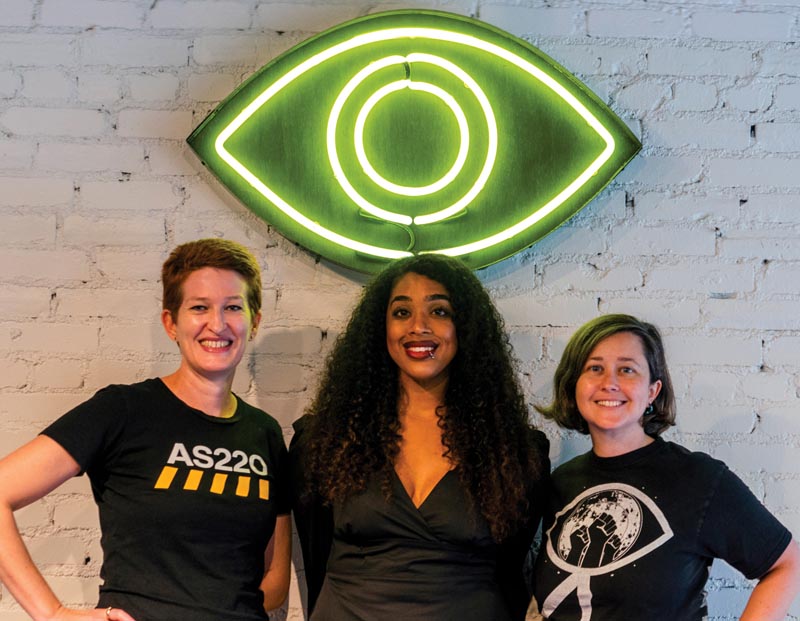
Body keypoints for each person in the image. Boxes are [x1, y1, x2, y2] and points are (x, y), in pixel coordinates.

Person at [0, 238, 291, 621]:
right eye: (199, 307)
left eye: (233, 307)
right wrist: (53, 612)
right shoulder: (124, 411)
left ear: (254, 321)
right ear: (171, 322)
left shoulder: (264, 433)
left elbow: (275, 580)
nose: (217, 324)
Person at [290, 253, 550, 621]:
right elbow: (315, 557)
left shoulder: (514, 453)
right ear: (380, 328)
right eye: (401, 312)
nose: (418, 326)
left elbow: (510, 570)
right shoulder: (326, 441)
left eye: (439, 311)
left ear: (466, 328)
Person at [533, 313, 800, 620]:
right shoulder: (562, 481)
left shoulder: (697, 479)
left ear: (652, 391)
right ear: (574, 385)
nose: (610, 383)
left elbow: (786, 564)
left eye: (627, 370)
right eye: (595, 368)